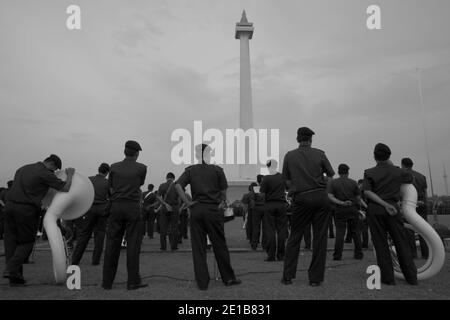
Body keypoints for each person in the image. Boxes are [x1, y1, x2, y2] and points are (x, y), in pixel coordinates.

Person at [175, 143, 241, 290]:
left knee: (198, 248)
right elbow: (223, 192)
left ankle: (202, 283)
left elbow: (178, 186)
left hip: (197, 209)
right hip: (213, 209)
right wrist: (221, 202)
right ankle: (228, 278)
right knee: (219, 245)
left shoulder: (190, 170)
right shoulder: (217, 170)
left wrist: (188, 203)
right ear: (209, 153)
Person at [3, 155, 74, 286]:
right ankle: (11, 268)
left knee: (11, 242)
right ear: (51, 164)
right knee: (27, 242)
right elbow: (66, 187)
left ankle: (15, 278)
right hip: (25, 209)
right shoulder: (45, 173)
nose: (53, 172)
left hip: (9, 207)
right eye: (54, 170)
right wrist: (70, 174)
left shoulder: (22, 168)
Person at [281, 127, 335, 286]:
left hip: (301, 198)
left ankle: (288, 276)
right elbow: (331, 175)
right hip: (320, 196)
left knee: (295, 236)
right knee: (320, 238)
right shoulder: (320, 153)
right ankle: (315, 279)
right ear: (311, 140)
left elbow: (287, 181)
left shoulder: (289, 156)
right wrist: (325, 189)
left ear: (297, 139)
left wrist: (296, 187)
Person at [363, 143, 417, 285]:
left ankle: (388, 278)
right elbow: (410, 178)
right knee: (401, 242)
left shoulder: (368, 172)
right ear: (389, 156)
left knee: (380, 244)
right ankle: (411, 277)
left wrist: (383, 204)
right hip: (393, 208)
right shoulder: (398, 172)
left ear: (374, 156)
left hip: (376, 209)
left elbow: (367, 192)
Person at [102, 140, 147, 290]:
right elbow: (139, 184)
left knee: (111, 244)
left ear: (124, 152)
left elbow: (111, 187)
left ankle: (107, 282)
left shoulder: (113, 168)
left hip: (116, 207)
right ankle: (133, 281)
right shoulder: (141, 168)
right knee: (133, 245)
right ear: (137, 153)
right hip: (132, 207)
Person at [71, 163, 110, 266]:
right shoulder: (108, 182)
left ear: (98, 169)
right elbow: (111, 196)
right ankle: (95, 260)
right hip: (102, 210)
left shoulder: (89, 180)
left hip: (89, 208)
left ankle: (75, 260)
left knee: (84, 234)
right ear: (107, 172)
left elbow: (82, 192)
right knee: (100, 235)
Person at [327, 164, 364, 261]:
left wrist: (341, 202)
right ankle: (358, 254)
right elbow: (359, 198)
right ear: (348, 172)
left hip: (340, 209)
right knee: (355, 232)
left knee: (340, 233)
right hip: (352, 209)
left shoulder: (333, 183)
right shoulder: (354, 182)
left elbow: (330, 196)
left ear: (338, 172)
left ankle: (337, 256)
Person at [260, 159, 288, 262]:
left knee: (270, 230)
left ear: (268, 167)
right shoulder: (282, 177)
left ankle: (271, 255)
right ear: (276, 166)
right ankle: (281, 255)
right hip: (281, 204)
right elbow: (288, 188)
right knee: (281, 230)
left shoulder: (266, 179)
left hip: (270, 205)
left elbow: (262, 194)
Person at [401, 157, 429, 259]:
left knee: (409, 230)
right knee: (423, 229)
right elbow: (425, 192)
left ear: (403, 165)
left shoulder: (404, 176)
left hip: (410, 203)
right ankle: (426, 253)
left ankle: (413, 254)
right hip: (422, 204)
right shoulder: (422, 176)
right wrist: (424, 203)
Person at [157, 172, 180, 251]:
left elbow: (158, 196)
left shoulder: (162, 185)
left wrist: (164, 203)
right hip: (174, 207)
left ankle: (163, 247)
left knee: (163, 227)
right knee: (174, 227)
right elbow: (180, 197)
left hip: (164, 208)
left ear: (166, 178)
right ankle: (174, 246)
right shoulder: (177, 186)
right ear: (173, 178)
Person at [250, 175, 266, 250]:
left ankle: (254, 244)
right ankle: (265, 244)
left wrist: (253, 209)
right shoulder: (266, 189)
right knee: (265, 228)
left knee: (256, 227)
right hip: (265, 209)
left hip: (257, 209)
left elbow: (252, 200)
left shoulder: (255, 188)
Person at [357, 179, 370, 249]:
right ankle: (365, 243)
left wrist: (366, 207)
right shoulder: (368, 191)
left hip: (362, 211)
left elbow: (360, 200)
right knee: (366, 228)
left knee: (361, 228)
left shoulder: (360, 191)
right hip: (368, 211)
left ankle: (363, 243)